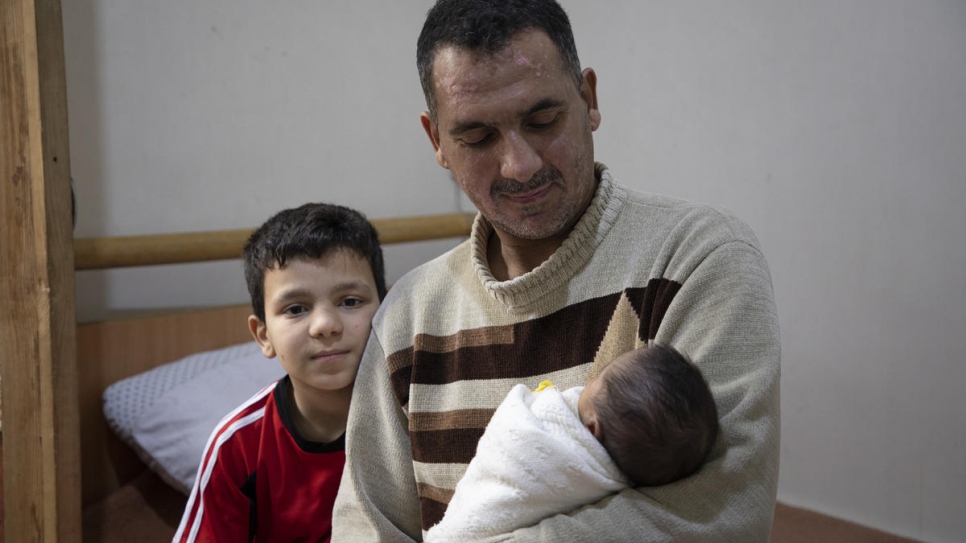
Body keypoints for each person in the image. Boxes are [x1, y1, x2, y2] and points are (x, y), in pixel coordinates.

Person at [332, 0, 781, 541]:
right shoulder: (406, 319)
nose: (519, 165)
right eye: (477, 139)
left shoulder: (696, 260)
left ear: (589, 99)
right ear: (438, 143)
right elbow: (366, 527)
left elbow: (718, 516)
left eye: (542, 121)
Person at [173, 202, 386, 543]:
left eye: (350, 302)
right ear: (263, 335)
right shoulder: (238, 447)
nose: (326, 326)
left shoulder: (418, 417)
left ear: (387, 310)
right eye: (296, 309)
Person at [424, 344, 720, 542]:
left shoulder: (549, 445)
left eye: (600, 377)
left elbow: (513, 436)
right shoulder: (624, 483)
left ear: (593, 430)